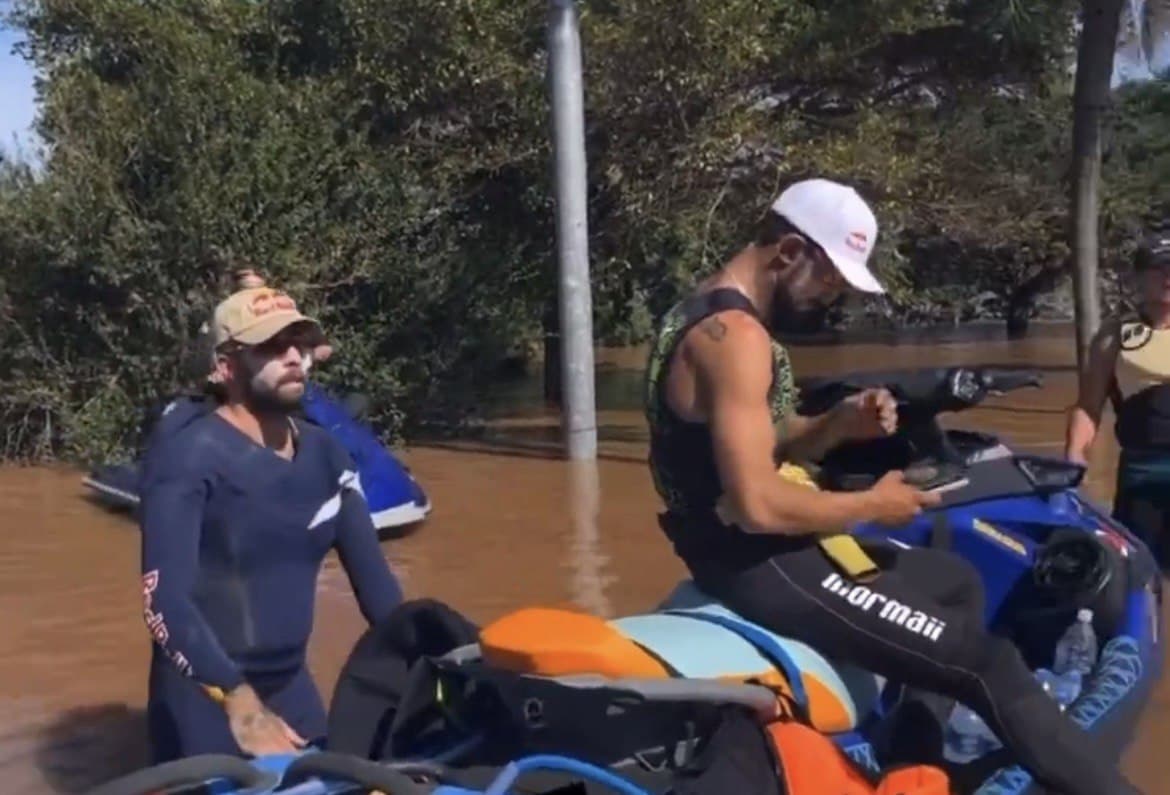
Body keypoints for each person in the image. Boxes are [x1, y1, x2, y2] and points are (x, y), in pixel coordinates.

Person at [643, 177, 1139, 794]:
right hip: (755, 560)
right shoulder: (736, 340)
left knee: (957, 581)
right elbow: (756, 503)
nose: (834, 299)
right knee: (987, 665)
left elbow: (765, 442)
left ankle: (912, 770)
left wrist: (836, 424)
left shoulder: (705, 312)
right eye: (830, 280)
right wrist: (877, 504)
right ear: (790, 251)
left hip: (747, 546)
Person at [139, 281, 404, 763]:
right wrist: (241, 706)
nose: (291, 356)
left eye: (298, 343)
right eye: (270, 346)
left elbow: (378, 590)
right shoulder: (187, 459)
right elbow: (163, 604)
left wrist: (430, 659)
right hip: (207, 699)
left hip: (291, 687)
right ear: (225, 367)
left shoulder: (327, 455)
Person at [1066, 229, 1170, 572]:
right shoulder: (1115, 336)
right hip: (1143, 473)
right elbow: (1088, 407)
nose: (1168, 276)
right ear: (1139, 276)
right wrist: (1073, 464)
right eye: (1159, 267)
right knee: (1139, 571)